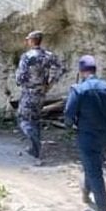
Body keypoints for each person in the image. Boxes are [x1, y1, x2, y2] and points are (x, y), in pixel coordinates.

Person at [64, 55, 106, 211]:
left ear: (81, 71)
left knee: (95, 172)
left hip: (87, 137)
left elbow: (68, 114)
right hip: (105, 138)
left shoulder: (78, 89)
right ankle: (86, 192)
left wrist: (70, 125)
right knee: (91, 166)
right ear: (95, 69)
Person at [16, 30, 64, 159]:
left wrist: (20, 82)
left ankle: (35, 144)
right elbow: (61, 68)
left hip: (29, 91)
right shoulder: (49, 55)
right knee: (36, 118)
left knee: (24, 118)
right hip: (42, 91)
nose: (27, 41)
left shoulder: (27, 56)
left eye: (28, 39)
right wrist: (51, 83)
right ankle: (35, 149)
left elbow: (20, 76)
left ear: (32, 41)